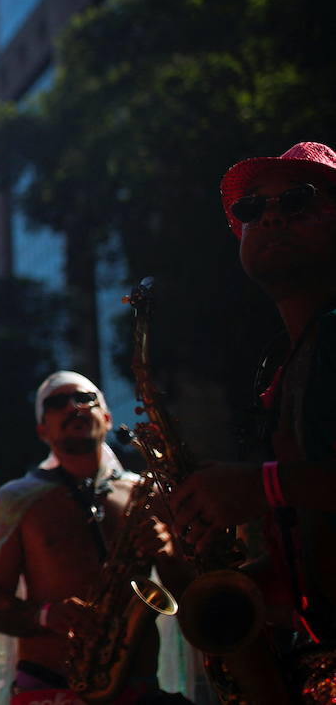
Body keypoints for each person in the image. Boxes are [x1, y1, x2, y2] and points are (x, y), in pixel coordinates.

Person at [173, 141, 336, 693]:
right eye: (251, 208)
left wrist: (259, 487)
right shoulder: (291, 360)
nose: (270, 215)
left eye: (297, 200)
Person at [0, 372, 190, 705]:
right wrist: (46, 615)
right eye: (57, 403)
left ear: (108, 418)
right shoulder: (16, 502)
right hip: (50, 685)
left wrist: (168, 554)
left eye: (86, 399)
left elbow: (190, 596)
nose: (74, 407)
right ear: (42, 430)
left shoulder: (148, 495)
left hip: (140, 687)